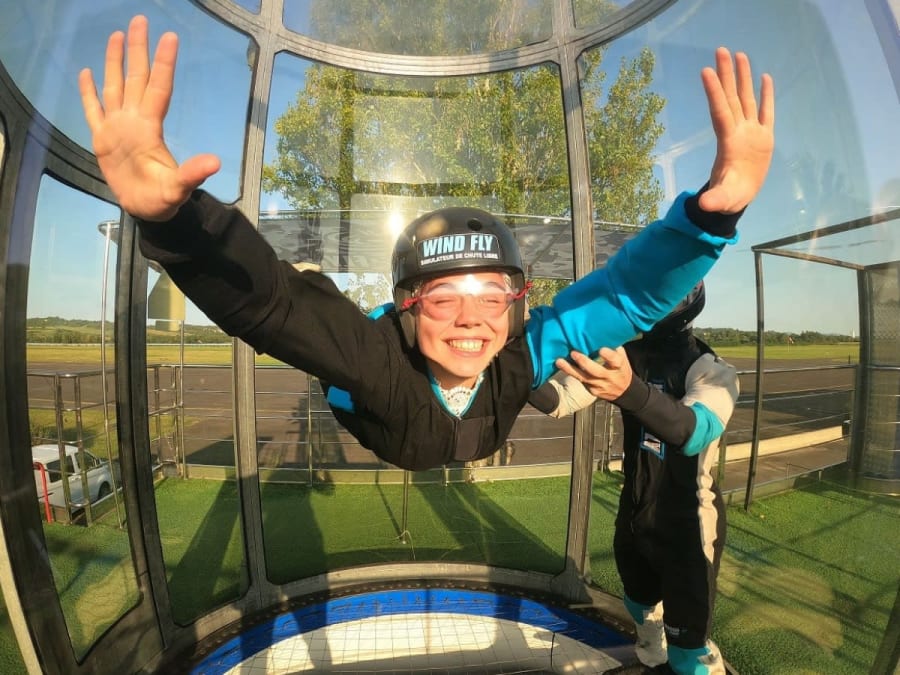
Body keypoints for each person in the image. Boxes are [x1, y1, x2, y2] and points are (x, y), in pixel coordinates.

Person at [77, 15, 773, 472]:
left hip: (436, 404)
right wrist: (178, 225)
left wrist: (712, 215)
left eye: (492, 294)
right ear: (408, 309)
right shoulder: (378, 359)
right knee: (319, 322)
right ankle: (326, 285)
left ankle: (340, 288)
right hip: (369, 390)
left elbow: (623, 295)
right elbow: (269, 308)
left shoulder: (522, 348)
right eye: (445, 297)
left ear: (516, 301)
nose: (472, 319)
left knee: (342, 320)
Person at [532, 282, 739, 675]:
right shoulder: (627, 355)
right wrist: (512, 369)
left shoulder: (711, 368)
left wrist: (629, 390)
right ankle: (651, 657)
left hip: (689, 522)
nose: (656, 301)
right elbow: (560, 400)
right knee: (640, 607)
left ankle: (693, 659)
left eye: (669, 293)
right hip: (635, 509)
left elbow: (691, 432)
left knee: (688, 652)